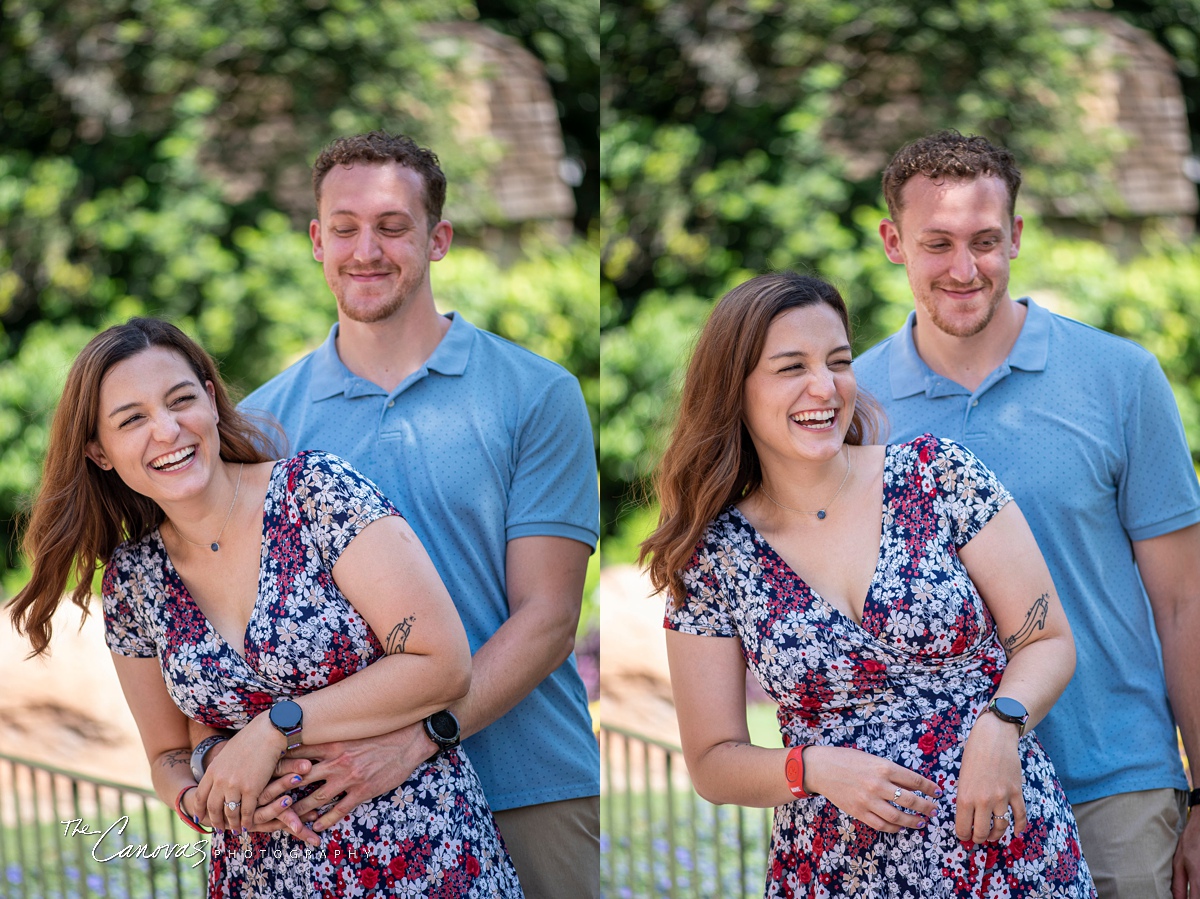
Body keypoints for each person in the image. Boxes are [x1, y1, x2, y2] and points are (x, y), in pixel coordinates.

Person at [9, 318, 524, 898]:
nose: (168, 429)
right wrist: (201, 796)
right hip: (260, 876)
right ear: (99, 453)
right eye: (133, 420)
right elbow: (167, 754)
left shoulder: (316, 494)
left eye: (181, 401)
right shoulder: (133, 581)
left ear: (209, 397)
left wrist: (275, 729)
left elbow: (443, 663)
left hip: (420, 856)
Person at [226, 130, 600, 898]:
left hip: (527, 783)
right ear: (315, 240)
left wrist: (419, 738)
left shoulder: (537, 394)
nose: (367, 249)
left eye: (393, 226)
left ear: (438, 239)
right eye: (345, 227)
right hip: (345, 806)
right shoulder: (258, 430)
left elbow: (549, 615)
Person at [641, 271, 1095, 896]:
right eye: (791, 367)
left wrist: (1002, 723)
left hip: (1007, 857)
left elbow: (1047, 639)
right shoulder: (712, 557)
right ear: (735, 390)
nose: (824, 387)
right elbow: (713, 763)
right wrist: (815, 769)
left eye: (838, 361)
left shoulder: (939, 476)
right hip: (839, 871)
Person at [854, 130, 1200, 899]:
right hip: (932, 806)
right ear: (893, 242)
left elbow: (1185, 603)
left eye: (984, 240)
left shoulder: (1122, 380)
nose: (964, 268)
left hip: (1113, 786)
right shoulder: (854, 405)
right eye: (936, 243)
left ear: (1016, 235)